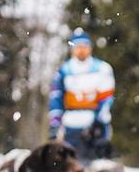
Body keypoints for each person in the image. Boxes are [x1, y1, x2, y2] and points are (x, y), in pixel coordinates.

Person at [48, 28, 115, 163]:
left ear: (90, 48)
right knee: (70, 165)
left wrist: (98, 122)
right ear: (72, 49)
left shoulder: (102, 68)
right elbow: (56, 99)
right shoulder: (63, 71)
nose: (81, 50)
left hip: (95, 127)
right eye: (77, 46)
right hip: (70, 126)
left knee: (97, 168)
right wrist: (55, 125)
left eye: (84, 46)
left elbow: (106, 99)